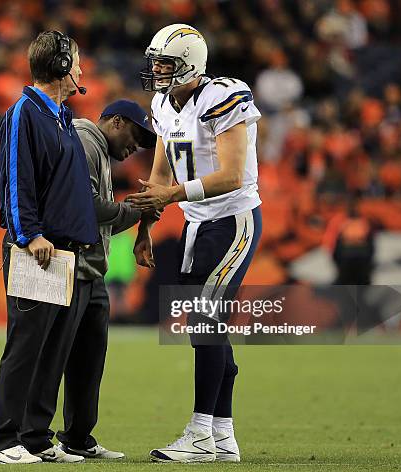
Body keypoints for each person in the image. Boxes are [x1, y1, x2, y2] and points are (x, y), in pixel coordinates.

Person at [126, 24, 263, 463]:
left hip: (232, 221)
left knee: (207, 324)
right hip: (196, 225)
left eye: (164, 64)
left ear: (189, 63)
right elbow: (161, 177)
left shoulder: (222, 95)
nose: (156, 71)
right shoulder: (163, 104)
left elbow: (232, 175)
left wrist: (172, 196)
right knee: (207, 329)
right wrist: (146, 225)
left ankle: (201, 432)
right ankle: (222, 435)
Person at [0, 31, 99, 465]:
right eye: (77, 63)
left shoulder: (61, 116)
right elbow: (15, 181)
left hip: (64, 251)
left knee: (52, 351)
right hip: (37, 249)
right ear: (59, 67)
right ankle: (3, 440)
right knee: (26, 346)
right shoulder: (24, 113)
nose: (82, 71)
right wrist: (29, 234)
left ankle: (34, 438)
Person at [56, 100, 157, 460]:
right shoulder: (85, 140)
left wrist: (135, 213)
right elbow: (87, 206)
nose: (136, 148)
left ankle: (78, 437)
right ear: (115, 121)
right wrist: (137, 210)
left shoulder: (98, 149)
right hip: (71, 264)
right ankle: (30, 437)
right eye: (135, 135)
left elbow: (102, 214)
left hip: (91, 269)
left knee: (88, 359)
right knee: (56, 357)